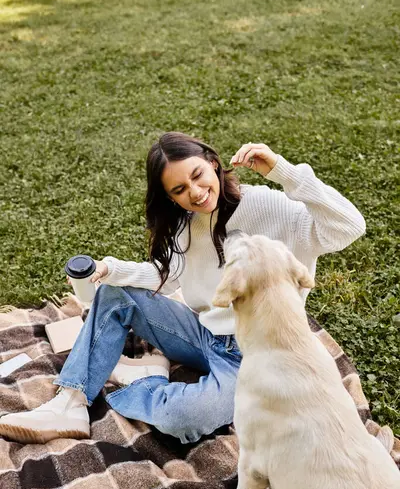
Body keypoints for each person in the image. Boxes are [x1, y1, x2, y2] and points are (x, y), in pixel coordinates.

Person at [0, 132, 366, 444]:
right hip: (205, 337)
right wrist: (110, 269)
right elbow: (167, 276)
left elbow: (348, 226)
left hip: (259, 357)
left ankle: (143, 380)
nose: (195, 192)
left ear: (213, 162)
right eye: (179, 189)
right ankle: (71, 402)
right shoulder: (187, 226)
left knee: (183, 420)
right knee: (115, 293)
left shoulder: (266, 206)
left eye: (197, 175)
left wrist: (282, 171)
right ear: (171, 198)